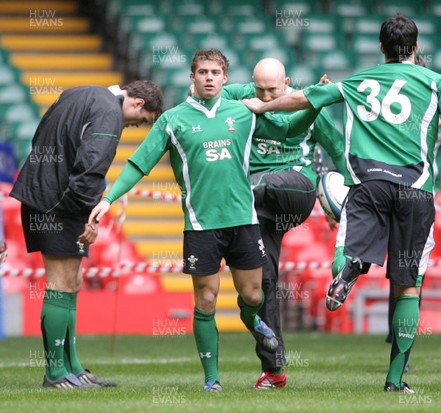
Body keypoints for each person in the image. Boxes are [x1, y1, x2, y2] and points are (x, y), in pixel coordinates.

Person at [243, 14, 441, 392]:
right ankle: (395, 381)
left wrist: (262, 107)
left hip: (368, 186)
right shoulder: (436, 82)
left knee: (348, 246)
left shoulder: (358, 81)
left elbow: (302, 98)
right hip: (416, 191)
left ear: (381, 49)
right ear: (416, 49)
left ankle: (349, 267)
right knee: (409, 287)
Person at [88, 49, 320, 392]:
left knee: (254, 295)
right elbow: (140, 162)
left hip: (244, 220)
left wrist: (315, 102)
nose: (209, 77)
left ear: (226, 79)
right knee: (207, 301)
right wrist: (108, 199)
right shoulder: (173, 120)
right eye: (203, 72)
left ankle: (251, 318)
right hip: (201, 225)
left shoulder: (244, 112)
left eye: (215, 72)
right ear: (192, 78)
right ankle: (212, 379)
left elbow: (288, 130)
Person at [9, 80, 164, 388]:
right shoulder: (109, 113)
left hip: (46, 194)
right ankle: (55, 373)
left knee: (72, 282)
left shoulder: (80, 93)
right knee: (60, 283)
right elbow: (91, 165)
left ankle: (73, 367)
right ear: (136, 104)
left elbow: (41, 133)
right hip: (59, 202)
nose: (134, 125)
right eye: (141, 120)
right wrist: (89, 217)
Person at [217, 58, 345, 389]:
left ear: (287, 82)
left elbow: (340, 152)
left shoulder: (307, 101)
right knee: (260, 287)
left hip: (295, 188)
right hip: (257, 208)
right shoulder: (239, 95)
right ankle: (274, 370)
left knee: (255, 185)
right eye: (259, 89)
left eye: (273, 89)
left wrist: (348, 200)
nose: (265, 95)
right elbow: (201, 95)